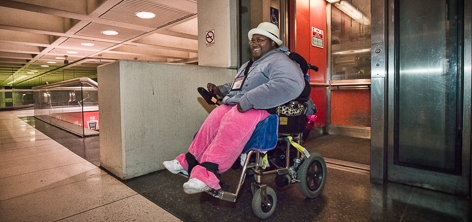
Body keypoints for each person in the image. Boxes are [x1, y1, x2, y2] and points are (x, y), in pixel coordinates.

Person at [163, 22, 306, 194]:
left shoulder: (280, 60)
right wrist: (220, 90)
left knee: (233, 119)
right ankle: (189, 161)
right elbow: (237, 85)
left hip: (261, 108)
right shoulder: (249, 65)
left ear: (273, 43)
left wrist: (249, 99)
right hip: (240, 104)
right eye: (253, 40)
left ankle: (208, 173)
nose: (254, 43)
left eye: (260, 40)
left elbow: (289, 83)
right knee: (215, 116)